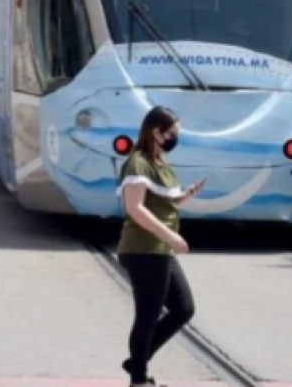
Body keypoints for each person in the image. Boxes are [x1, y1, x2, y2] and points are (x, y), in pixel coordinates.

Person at [117, 106, 205, 387]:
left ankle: (137, 362)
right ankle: (139, 380)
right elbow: (135, 207)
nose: (174, 138)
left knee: (183, 308)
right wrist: (170, 236)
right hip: (143, 250)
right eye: (172, 133)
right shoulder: (138, 163)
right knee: (148, 314)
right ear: (155, 131)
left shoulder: (160, 163)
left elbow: (164, 199)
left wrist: (186, 196)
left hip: (159, 250)